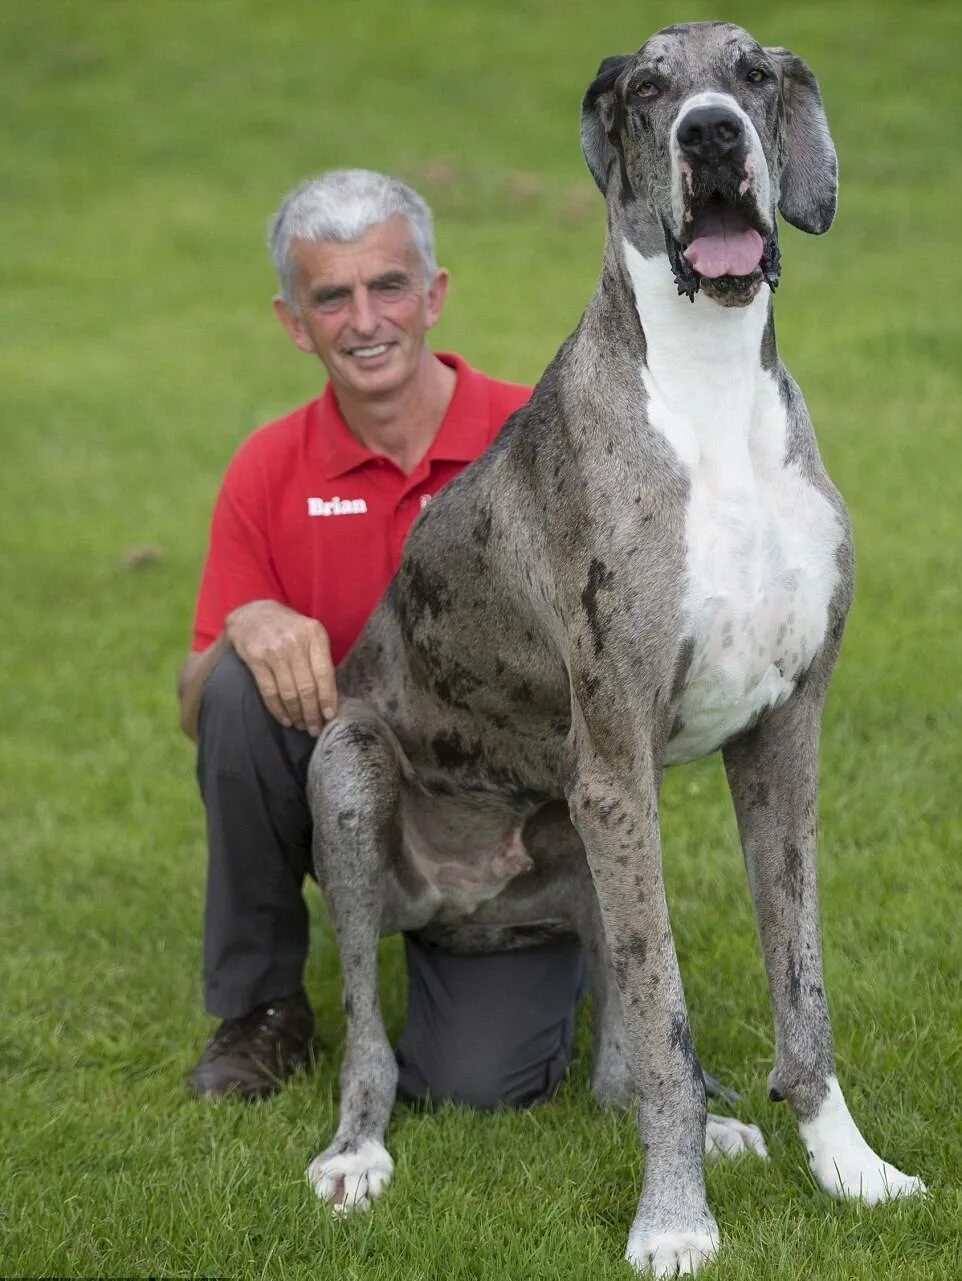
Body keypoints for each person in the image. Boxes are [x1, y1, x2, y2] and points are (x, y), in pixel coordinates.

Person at [178, 169, 586, 1105]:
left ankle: (578, 943)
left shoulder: (542, 437)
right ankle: (263, 1008)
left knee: (476, 1086)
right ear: (294, 321)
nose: (365, 319)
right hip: (358, 802)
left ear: (434, 294)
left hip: (513, 824)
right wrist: (246, 620)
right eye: (333, 296)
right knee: (237, 685)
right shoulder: (266, 467)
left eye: (388, 285)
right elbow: (197, 711)